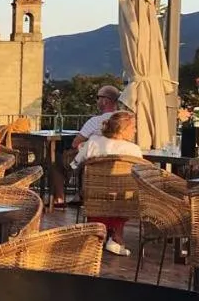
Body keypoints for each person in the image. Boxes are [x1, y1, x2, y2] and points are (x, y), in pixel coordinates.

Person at [76, 110, 145, 257]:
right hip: (121, 199)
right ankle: (116, 237)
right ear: (123, 129)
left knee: (98, 198)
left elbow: (75, 163)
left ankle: (94, 236)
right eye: (133, 127)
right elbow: (141, 172)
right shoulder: (134, 150)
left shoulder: (93, 142)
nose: (135, 130)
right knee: (127, 194)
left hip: (94, 195)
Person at [48, 84, 122, 209]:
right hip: (116, 164)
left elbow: (75, 143)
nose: (97, 101)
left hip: (92, 162)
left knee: (56, 160)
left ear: (105, 101)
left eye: (98, 97)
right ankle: (80, 194)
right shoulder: (124, 121)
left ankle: (59, 198)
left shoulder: (96, 121)